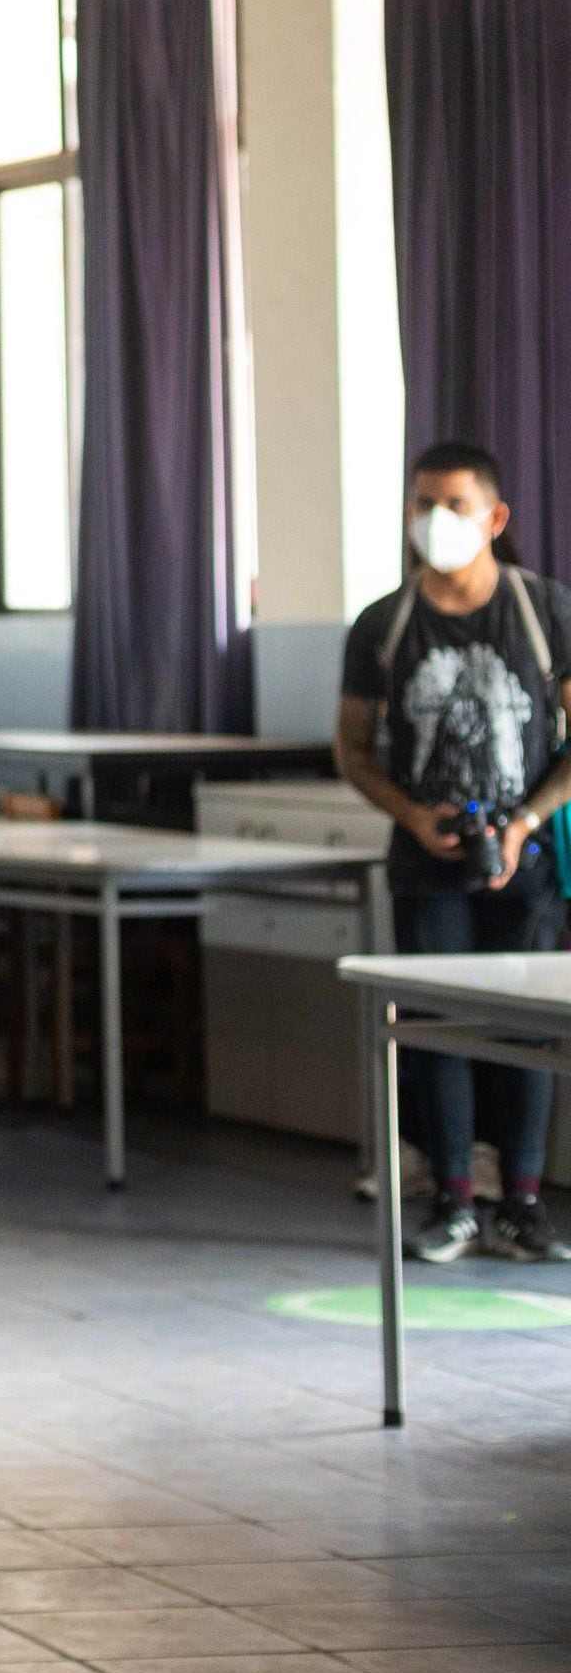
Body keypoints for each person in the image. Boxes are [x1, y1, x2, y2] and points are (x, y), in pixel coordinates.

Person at [338, 439, 571, 1263]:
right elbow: (353, 748)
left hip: (526, 863)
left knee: (531, 1031)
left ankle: (527, 1203)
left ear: (495, 517)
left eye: (454, 505)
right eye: (422, 504)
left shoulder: (545, 613)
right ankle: (455, 1200)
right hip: (425, 865)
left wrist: (523, 822)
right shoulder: (385, 624)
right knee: (436, 1025)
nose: (435, 520)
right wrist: (412, 814)